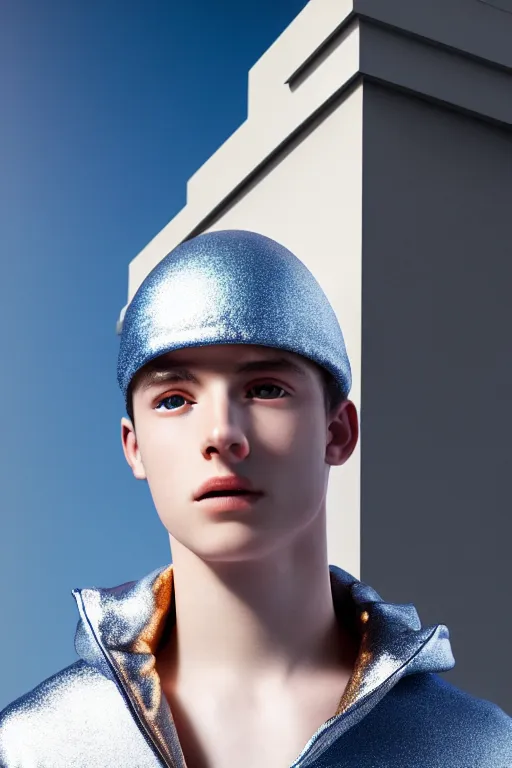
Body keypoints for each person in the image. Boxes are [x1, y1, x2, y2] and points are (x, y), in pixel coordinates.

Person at [0, 230, 510, 768]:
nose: (221, 432)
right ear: (135, 447)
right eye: (174, 400)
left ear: (338, 432)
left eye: (266, 389)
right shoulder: (35, 747)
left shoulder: (474, 749)